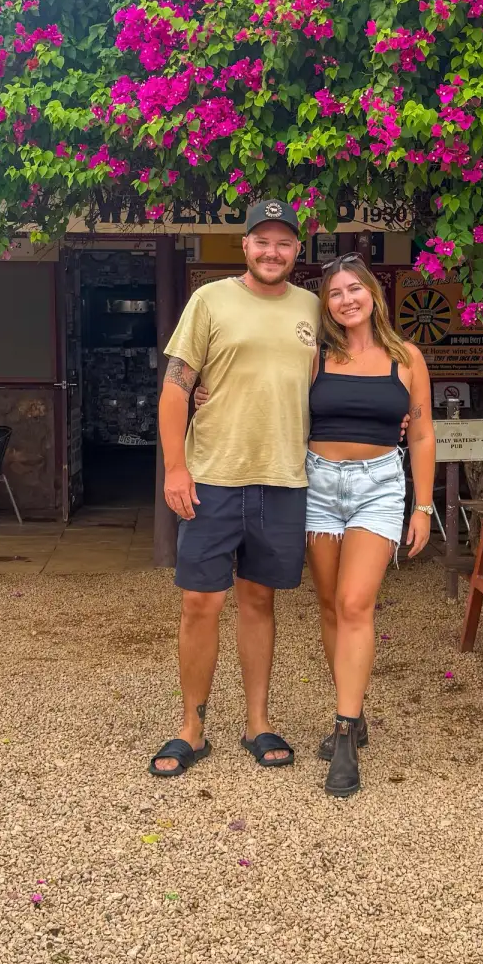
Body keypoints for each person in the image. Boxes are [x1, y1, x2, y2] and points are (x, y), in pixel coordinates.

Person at [149, 200, 318, 778]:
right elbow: (176, 388)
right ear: (244, 245)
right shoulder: (210, 300)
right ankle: (191, 727)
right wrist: (176, 468)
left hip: (282, 477)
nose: (273, 252)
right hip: (214, 476)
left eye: (284, 242)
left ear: (297, 250)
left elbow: (332, 380)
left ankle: (257, 722)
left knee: (259, 600)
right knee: (200, 602)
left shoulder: (312, 308)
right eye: (262, 241)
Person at [307, 254, 435, 797]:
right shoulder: (314, 355)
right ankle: (352, 710)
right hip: (318, 485)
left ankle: (343, 735)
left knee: (355, 603)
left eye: (354, 289)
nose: (346, 300)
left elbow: (422, 433)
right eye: (335, 293)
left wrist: (423, 507)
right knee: (330, 605)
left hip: (379, 486)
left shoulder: (406, 356)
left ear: (373, 295)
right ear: (326, 304)